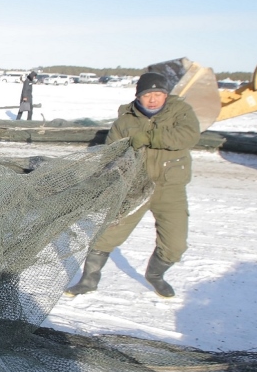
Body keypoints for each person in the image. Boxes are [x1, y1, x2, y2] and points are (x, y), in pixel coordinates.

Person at [65, 71, 201, 299]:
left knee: (175, 245)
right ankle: (88, 280)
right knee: (107, 235)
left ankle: (155, 276)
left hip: (170, 187)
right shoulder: (125, 121)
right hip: (133, 187)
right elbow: (110, 154)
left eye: (159, 94)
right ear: (138, 96)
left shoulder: (181, 112)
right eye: (149, 94)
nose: (154, 99)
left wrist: (149, 137)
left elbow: (188, 136)